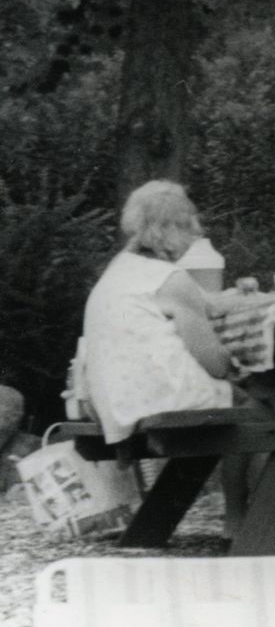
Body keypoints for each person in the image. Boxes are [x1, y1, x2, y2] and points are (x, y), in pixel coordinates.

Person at [80, 181, 250, 446]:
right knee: (257, 406)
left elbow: (208, 303)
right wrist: (240, 366)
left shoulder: (119, 269)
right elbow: (214, 365)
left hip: (115, 403)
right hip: (161, 398)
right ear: (172, 230)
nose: (194, 236)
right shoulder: (170, 279)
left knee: (248, 410)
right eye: (188, 228)